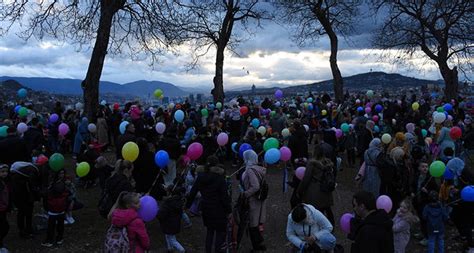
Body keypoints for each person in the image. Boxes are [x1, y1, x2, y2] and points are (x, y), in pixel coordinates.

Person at [186, 155, 231, 253]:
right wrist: (229, 210)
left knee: (209, 232)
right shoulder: (220, 178)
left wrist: (187, 205)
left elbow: (193, 192)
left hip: (206, 207)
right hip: (219, 209)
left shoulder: (201, 177)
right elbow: (224, 197)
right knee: (219, 233)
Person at [241, 150, 267, 251]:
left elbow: (255, 186)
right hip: (259, 199)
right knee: (255, 224)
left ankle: (257, 247)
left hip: (253, 200)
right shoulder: (259, 168)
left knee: (252, 224)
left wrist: (245, 193)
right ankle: (260, 245)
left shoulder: (250, 170)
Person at [297, 158, 335, 226]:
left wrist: (300, 190)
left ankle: (317, 228)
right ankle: (330, 225)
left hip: (315, 192)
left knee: (315, 211)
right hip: (326, 191)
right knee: (327, 209)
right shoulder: (328, 163)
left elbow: (306, 179)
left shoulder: (312, 164)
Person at [10, 162, 40, 239]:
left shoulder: (27, 172)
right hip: (22, 197)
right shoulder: (28, 174)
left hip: (26, 196)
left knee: (27, 212)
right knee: (22, 213)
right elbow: (32, 186)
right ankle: (23, 231)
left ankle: (28, 229)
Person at [41, 169, 70, 247]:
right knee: (58, 224)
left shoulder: (56, 184)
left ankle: (50, 240)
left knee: (53, 225)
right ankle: (58, 238)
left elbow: (48, 194)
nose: (62, 175)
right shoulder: (61, 183)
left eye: (63, 173)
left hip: (55, 208)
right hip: (59, 208)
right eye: (60, 173)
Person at [157, 187, 186, 253]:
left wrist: (157, 214)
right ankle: (170, 248)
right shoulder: (179, 202)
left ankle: (182, 250)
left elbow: (162, 214)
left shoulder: (167, 203)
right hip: (175, 223)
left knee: (172, 239)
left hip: (168, 223)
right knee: (169, 236)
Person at [0, 164, 10, 252]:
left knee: (4, 227)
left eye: (6, 171)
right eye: (2, 172)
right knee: (4, 227)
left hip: (3, 208)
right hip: (0, 209)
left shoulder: (3, 181)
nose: (5, 173)